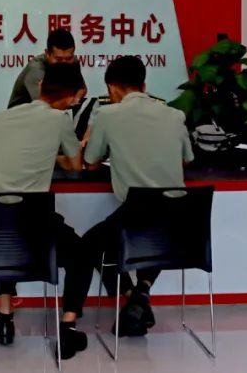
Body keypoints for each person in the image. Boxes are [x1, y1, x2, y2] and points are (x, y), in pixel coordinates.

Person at [0, 62, 91, 360]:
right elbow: (76, 165)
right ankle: (68, 327)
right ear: (70, 99)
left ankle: (4, 318)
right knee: (81, 254)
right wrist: (53, 157)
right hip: (36, 224)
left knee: (6, 227)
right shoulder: (60, 120)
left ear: (40, 86)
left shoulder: (3, 116)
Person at [82, 55, 194, 337]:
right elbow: (187, 159)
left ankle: (131, 296)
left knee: (90, 246)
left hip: (135, 217)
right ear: (144, 86)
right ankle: (141, 294)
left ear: (112, 87)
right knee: (154, 232)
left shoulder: (107, 115)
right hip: (178, 220)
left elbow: (91, 162)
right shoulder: (174, 115)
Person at [7, 28, 77, 108]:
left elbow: (82, 89)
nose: (64, 64)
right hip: (21, 113)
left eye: (68, 58)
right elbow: (44, 106)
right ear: (47, 54)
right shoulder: (36, 70)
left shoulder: (73, 62)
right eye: (58, 59)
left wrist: (76, 99)